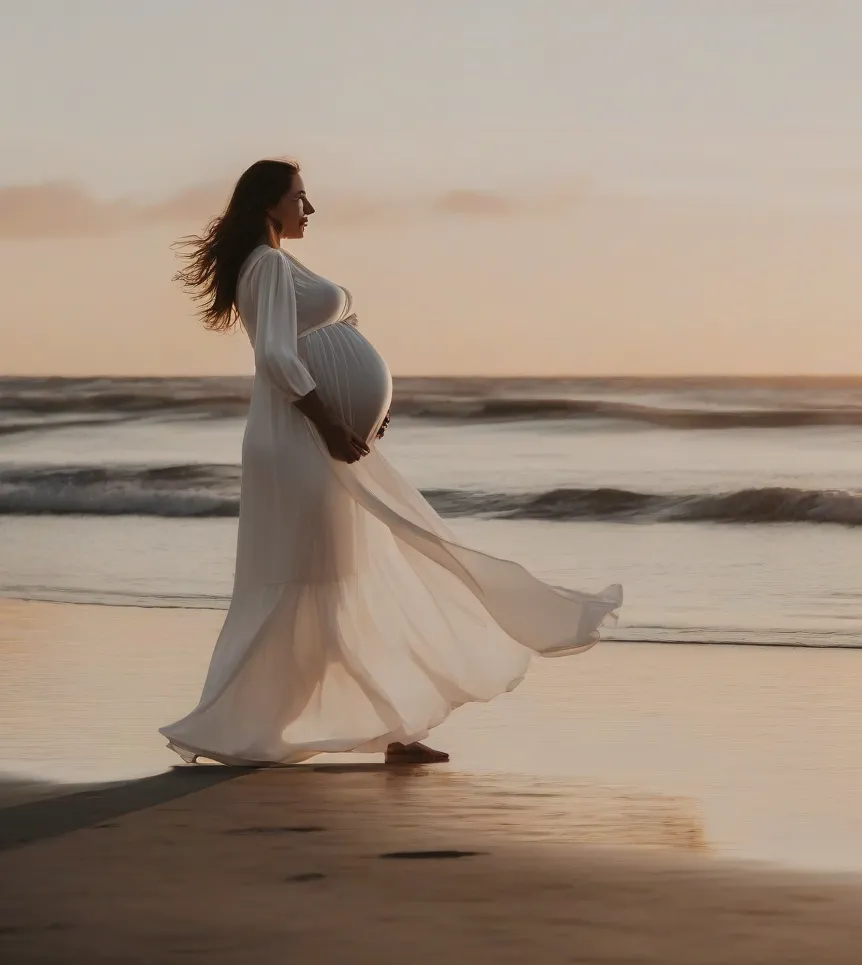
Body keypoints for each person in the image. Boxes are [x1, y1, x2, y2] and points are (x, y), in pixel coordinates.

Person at [159, 158, 622, 766]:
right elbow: (275, 355)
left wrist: (365, 408)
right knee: (323, 580)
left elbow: (305, 348)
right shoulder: (267, 265)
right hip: (302, 441)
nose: (310, 208)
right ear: (270, 204)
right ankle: (252, 725)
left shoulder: (274, 262)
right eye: (300, 197)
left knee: (345, 577)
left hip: (317, 435)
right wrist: (329, 418)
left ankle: (389, 729)